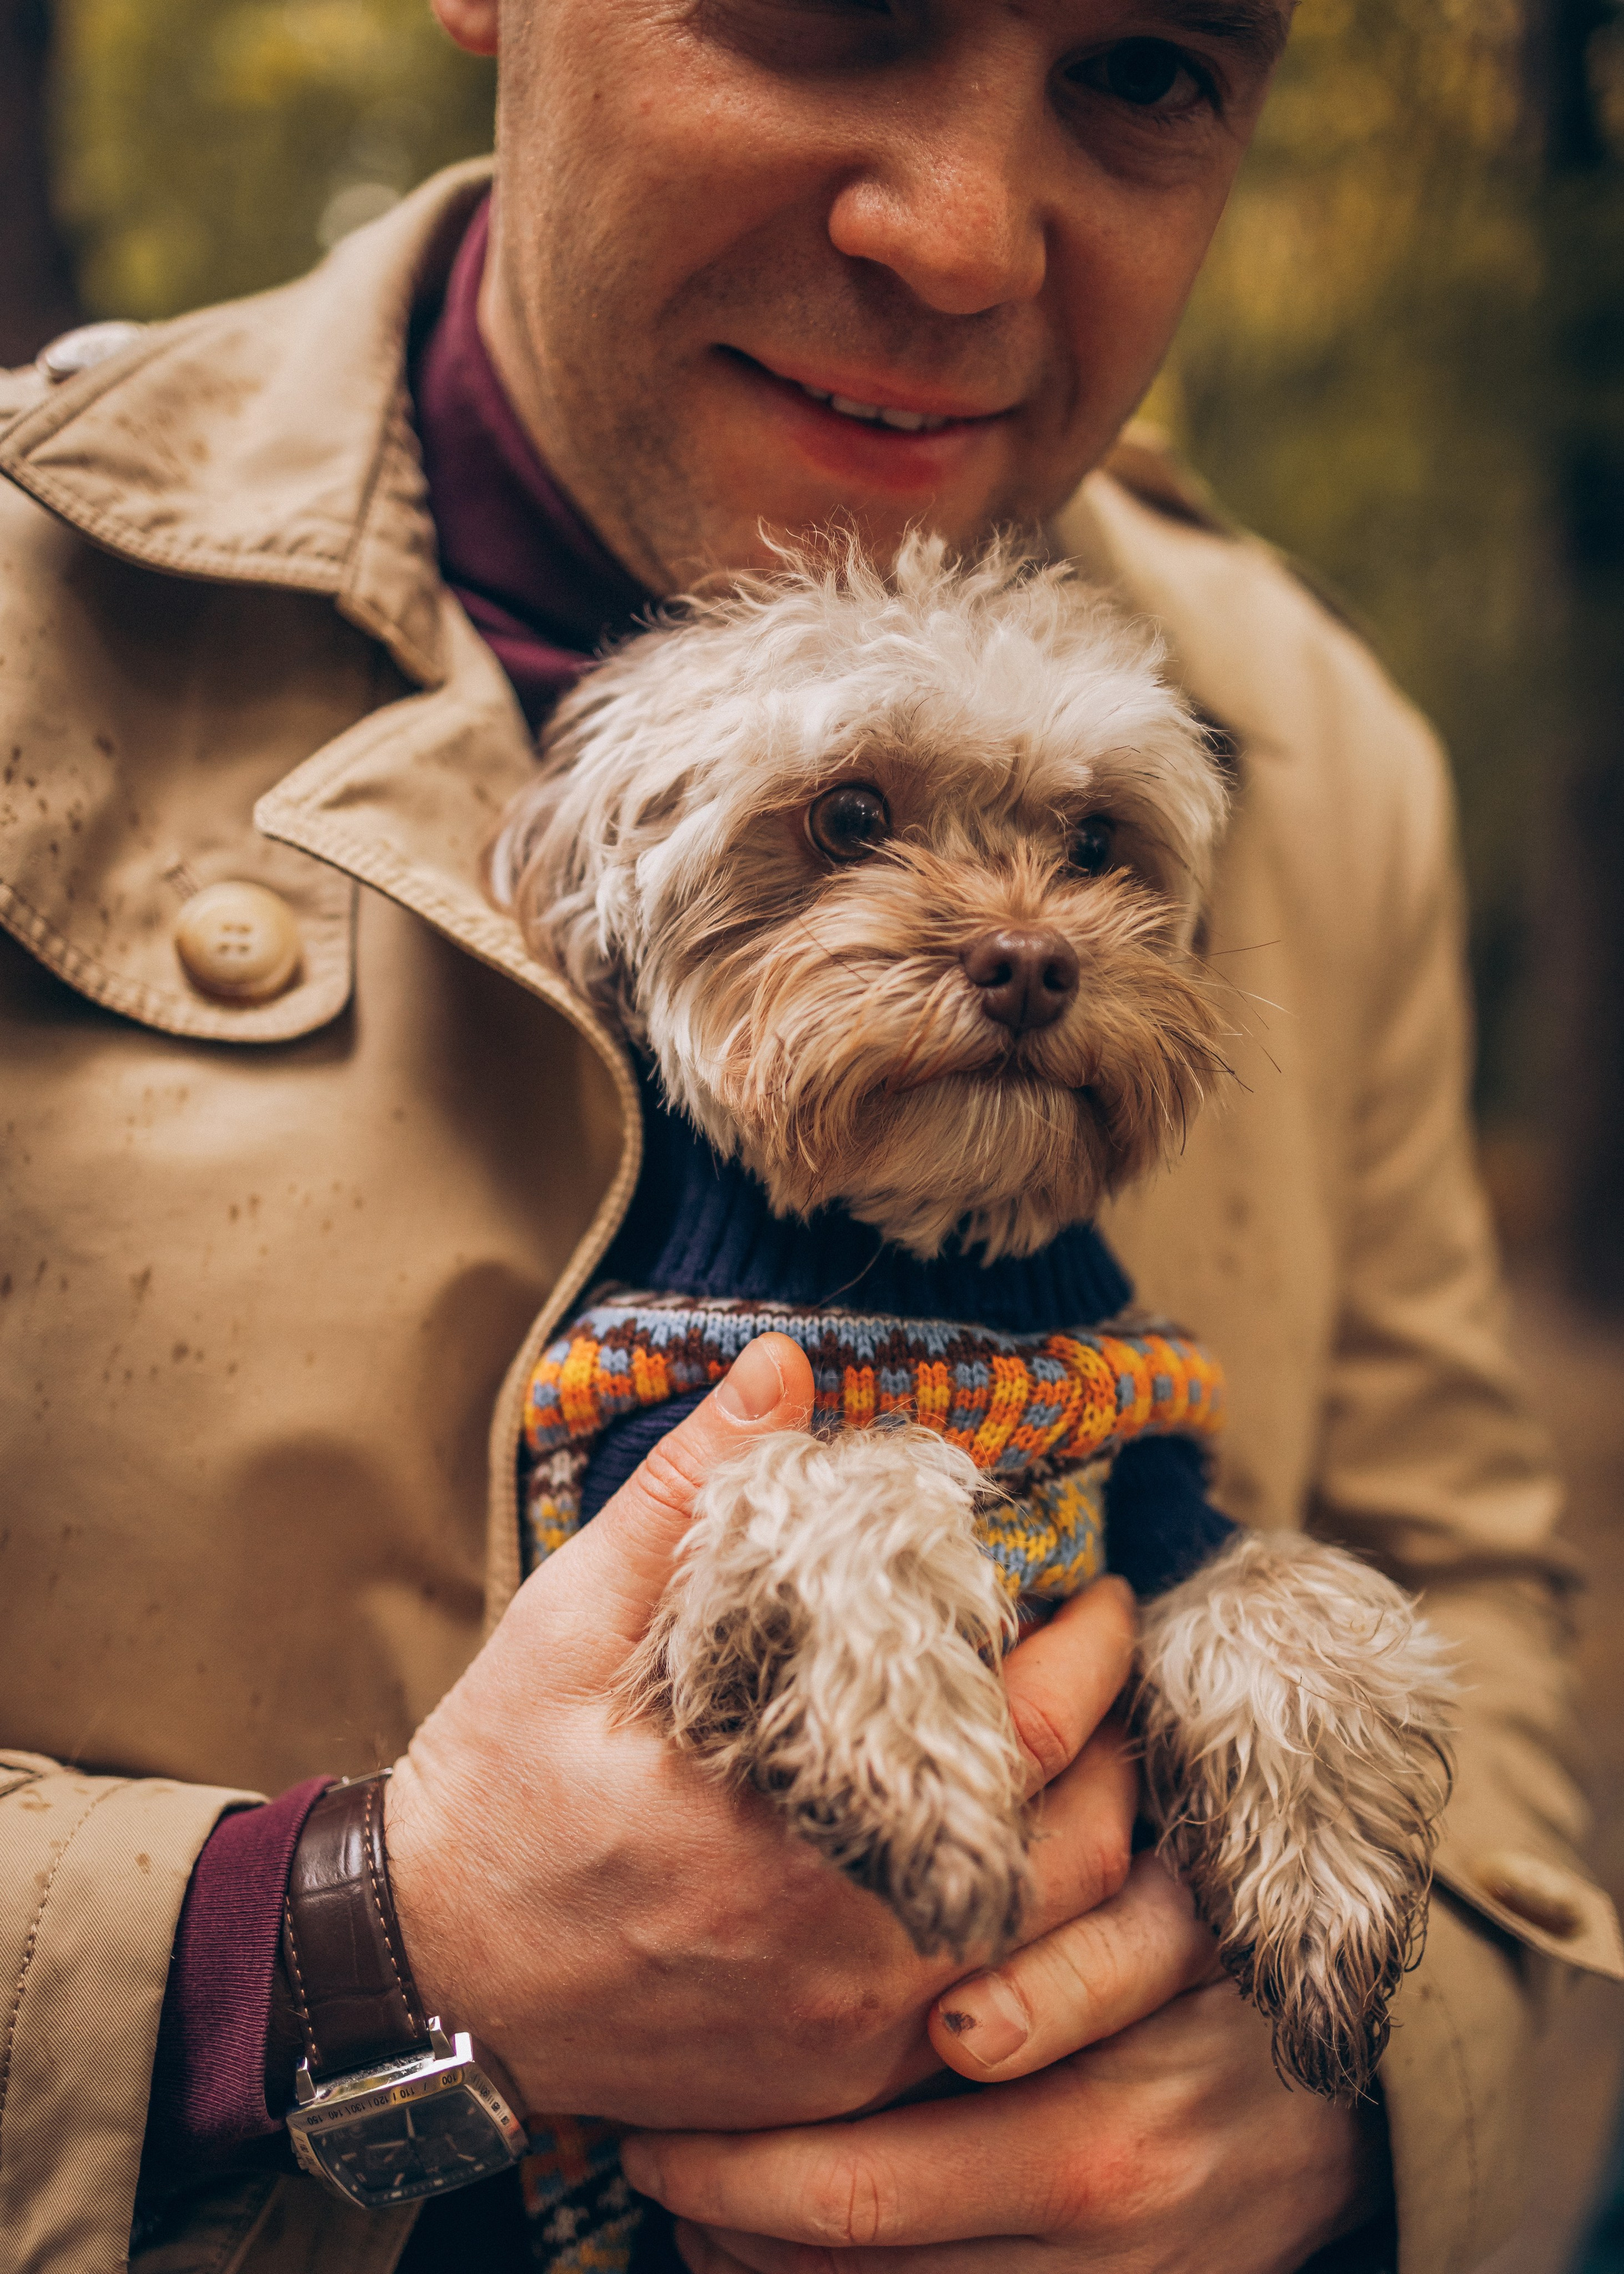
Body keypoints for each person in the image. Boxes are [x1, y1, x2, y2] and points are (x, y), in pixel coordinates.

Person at [0, 3, 1616, 2270]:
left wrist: (1363, 2111)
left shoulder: (1331, 750)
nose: (957, 241)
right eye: (825, 7)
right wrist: (329, 1955)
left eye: (1146, 67)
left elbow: (1472, 1594)